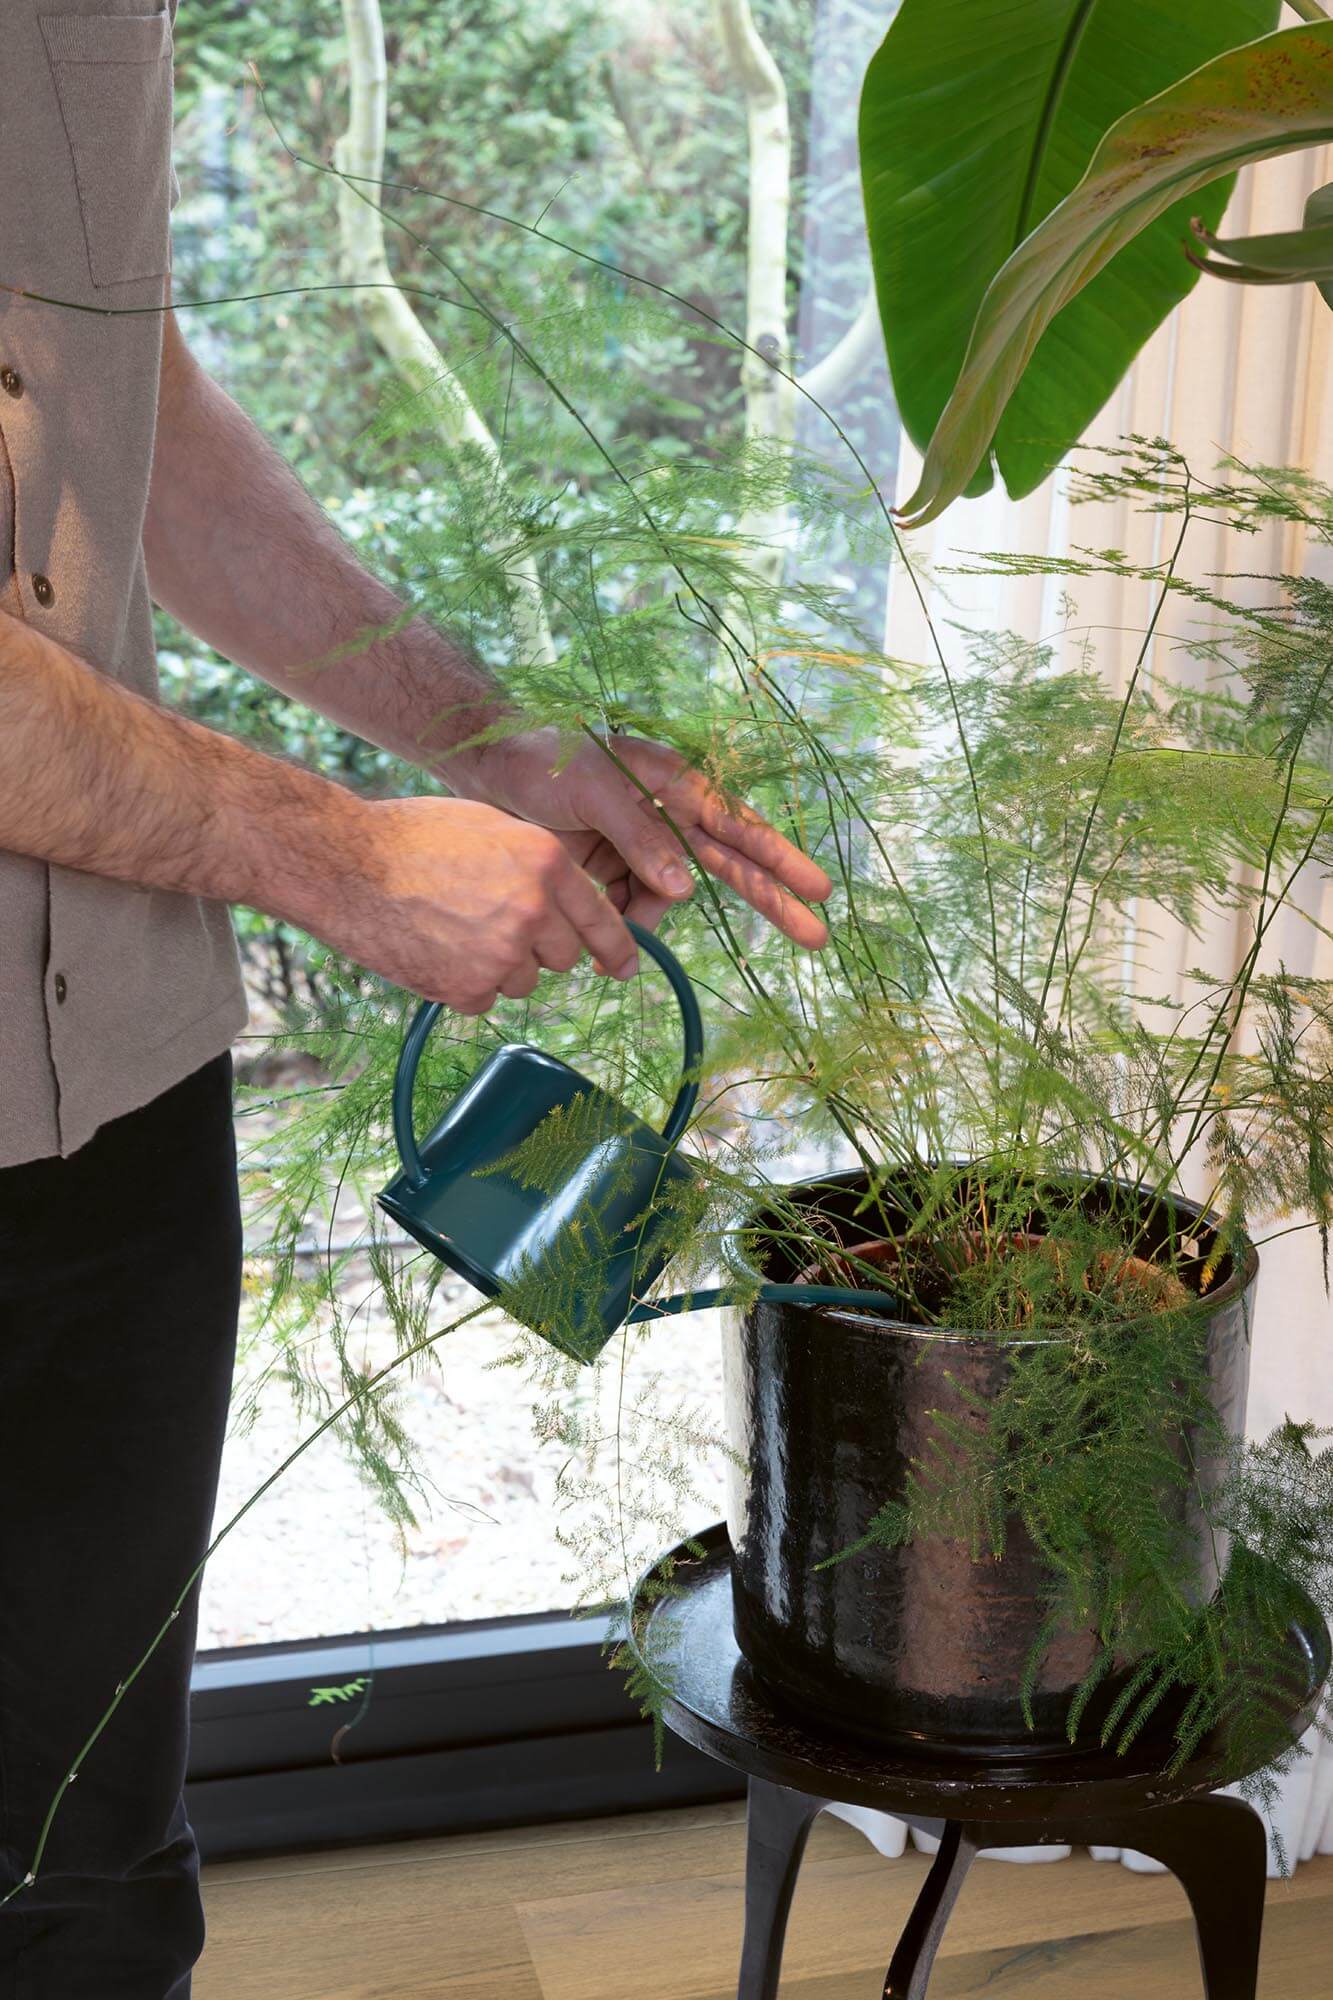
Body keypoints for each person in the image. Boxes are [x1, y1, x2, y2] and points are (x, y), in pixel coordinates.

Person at [0, 3, 831, 1992]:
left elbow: (127, 407)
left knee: (86, 1863)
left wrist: (492, 742)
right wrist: (342, 854)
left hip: (103, 1057)